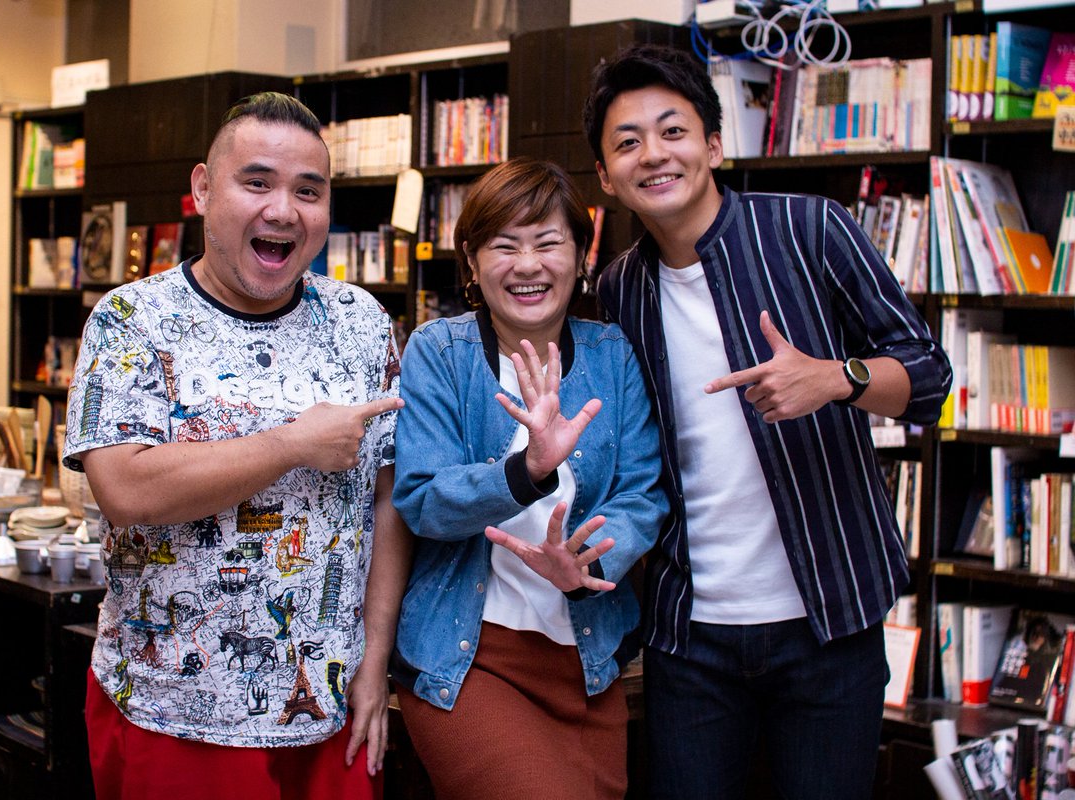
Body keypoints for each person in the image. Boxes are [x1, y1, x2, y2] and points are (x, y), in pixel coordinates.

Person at [583, 45, 953, 799]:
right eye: (628, 142)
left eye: (673, 131)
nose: (653, 154)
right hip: (691, 637)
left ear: (715, 145)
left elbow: (928, 377)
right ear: (606, 176)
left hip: (830, 624)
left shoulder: (810, 229)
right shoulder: (618, 289)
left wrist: (836, 378)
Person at [62, 91, 407, 800]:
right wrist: (292, 443)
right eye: (257, 182)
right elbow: (124, 489)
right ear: (202, 189)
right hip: (174, 711)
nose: (284, 210)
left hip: (330, 706)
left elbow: (388, 499)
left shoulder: (362, 322)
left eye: (308, 191)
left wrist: (375, 662)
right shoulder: (130, 319)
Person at [390, 157, 668, 800]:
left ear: (580, 255)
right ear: (471, 259)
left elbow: (642, 493)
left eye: (547, 243)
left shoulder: (611, 354)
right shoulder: (439, 352)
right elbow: (423, 500)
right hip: (469, 658)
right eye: (504, 245)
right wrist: (525, 471)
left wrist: (589, 562)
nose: (527, 265)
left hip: (588, 658)